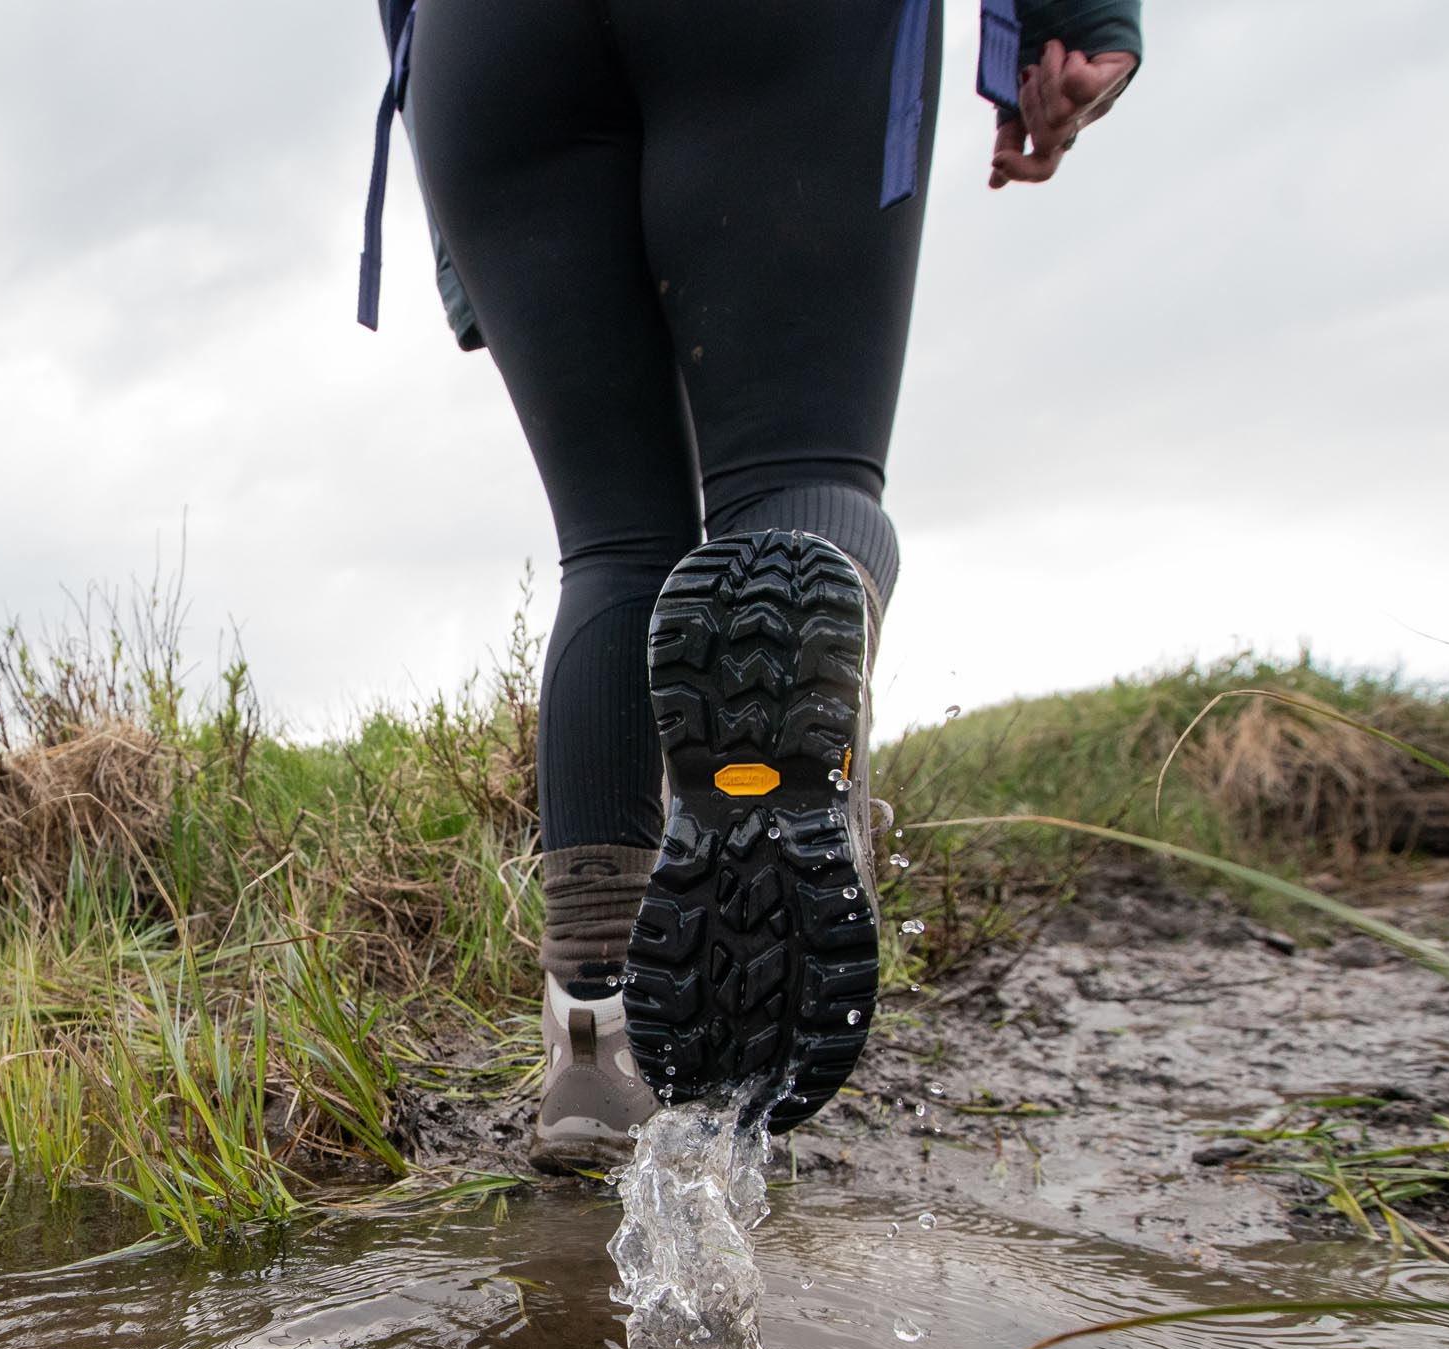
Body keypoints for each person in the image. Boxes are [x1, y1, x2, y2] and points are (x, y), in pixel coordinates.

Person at [358, 0, 1140, 1169]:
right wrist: (1079, 19)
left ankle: (592, 1049)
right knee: (799, 481)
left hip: (484, 48)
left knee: (613, 548)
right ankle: (782, 791)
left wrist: (450, 201)